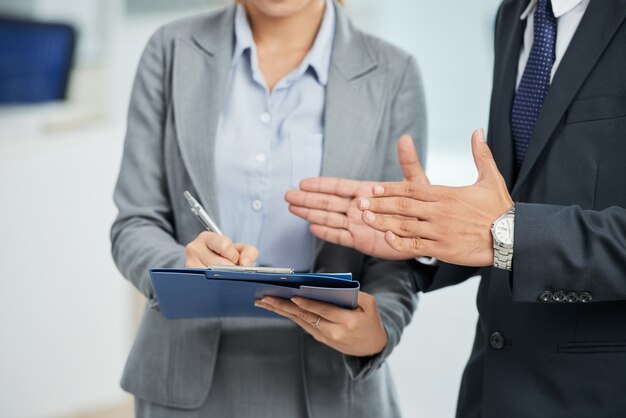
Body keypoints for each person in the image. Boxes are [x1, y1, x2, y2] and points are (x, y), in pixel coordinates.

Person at [284, 0, 626, 417]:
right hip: (491, 392)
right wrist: (422, 227)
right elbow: (512, 200)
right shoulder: (515, 15)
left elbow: (508, 227)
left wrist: (508, 234)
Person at [110, 0, 427, 416]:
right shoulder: (171, 50)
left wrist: (381, 324)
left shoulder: (394, 72)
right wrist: (179, 264)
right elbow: (135, 222)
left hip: (332, 386)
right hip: (182, 380)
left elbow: (396, 250)